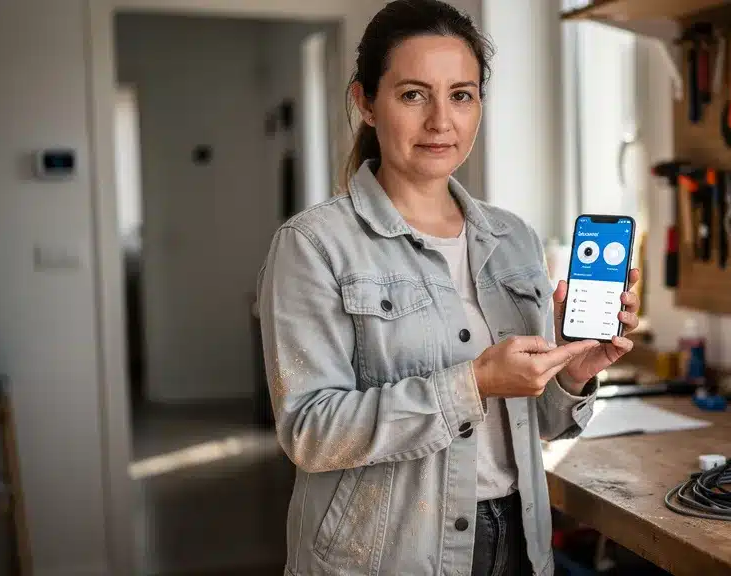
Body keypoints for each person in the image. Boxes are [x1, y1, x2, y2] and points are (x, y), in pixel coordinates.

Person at [256, 1, 640, 574]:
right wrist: (474, 382)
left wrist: (574, 372)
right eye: (413, 95)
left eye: (461, 95)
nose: (441, 121)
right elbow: (311, 433)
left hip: (518, 541)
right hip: (388, 557)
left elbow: (538, 425)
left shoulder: (513, 238)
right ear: (365, 102)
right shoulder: (314, 245)